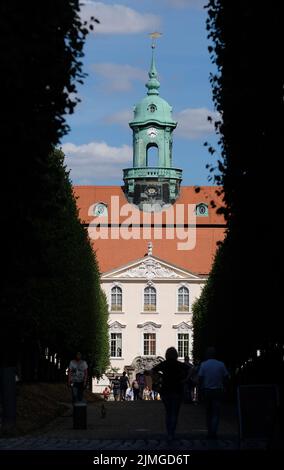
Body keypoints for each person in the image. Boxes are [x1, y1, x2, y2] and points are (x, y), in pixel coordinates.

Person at [152, 347, 189, 442]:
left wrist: (158, 380)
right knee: (175, 413)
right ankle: (172, 432)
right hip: (177, 390)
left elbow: (153, 371)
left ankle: (169, 433)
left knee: (168, 412)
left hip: (166, 390)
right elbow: (191, 369)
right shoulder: (179, 364)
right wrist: (185, 379)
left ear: (167, 355)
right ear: (176, 355)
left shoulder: (164, 364)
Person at [198, 347, 229, 439]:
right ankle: (214, 432)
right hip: (218, 390)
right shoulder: (221, 364)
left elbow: (200, 378)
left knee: (208, 412)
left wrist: (201, 389)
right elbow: (226, 377)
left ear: (207, 354)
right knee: (216, 412)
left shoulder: (204, 364)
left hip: (207, 390)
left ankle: (209, 432)